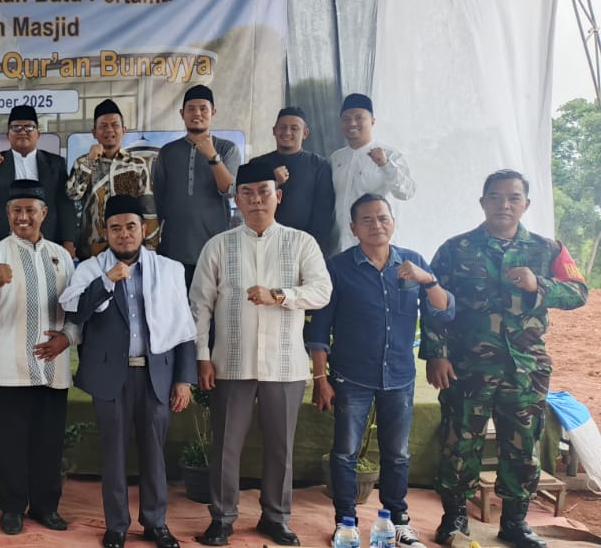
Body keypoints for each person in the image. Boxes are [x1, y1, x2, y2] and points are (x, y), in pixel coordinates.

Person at [422, 170, 588, 548]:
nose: (505, 205)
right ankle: (454, 517)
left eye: (514, 198)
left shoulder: (548, 249)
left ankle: (515, 522)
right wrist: (436, 354)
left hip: (525, 369)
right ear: (482, 203)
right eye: (496, 197)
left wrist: (538, 284)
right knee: (460, 443)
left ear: (526, 204)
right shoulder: (455, 249)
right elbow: (433, 305)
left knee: (522, 447)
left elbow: (578, 292)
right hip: (467, 368)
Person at [189, 162, 332, 547]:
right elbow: (199, 305)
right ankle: (222, 518)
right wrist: (202, 354)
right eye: (247, 194)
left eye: (264, 192)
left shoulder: (301, 243)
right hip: (230, 362)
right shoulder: (219, 245)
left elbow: (322, 291)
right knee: (225, 446)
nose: (256, 200)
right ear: (237, 200)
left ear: (278, 196)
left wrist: (280, 296)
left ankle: (275, 517)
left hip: (284, 364)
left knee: (280, 448)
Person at [306, 194, 455, 544]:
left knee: (397, 454)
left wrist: (427, 280)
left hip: (399, 377)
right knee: (345, 452)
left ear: (393, 222)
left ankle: (398, 520)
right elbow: (319, 330)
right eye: (367, 220)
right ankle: (345, 522)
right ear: (354, 228)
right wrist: (320, 379)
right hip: (351, 377)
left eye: (383, 218)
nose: (377, 225)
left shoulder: (413, 263)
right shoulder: (338, 268)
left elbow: (445, 310)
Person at [61, 194, 197, 548]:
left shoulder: (169, 270)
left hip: (156, 377)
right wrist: (107, 281)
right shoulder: (91, 269)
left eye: (131, 226)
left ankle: (155, 523)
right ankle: (117, 525)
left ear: (144, 229)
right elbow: (75, 312)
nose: (124, 234)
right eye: (115, 228)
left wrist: (184, 379)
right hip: (112, 378)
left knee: (154, 455)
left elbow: (184, 328)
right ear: (105, 231)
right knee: (113, 455)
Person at [0, 180, 77, 536]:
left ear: (44, 213)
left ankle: (46, 507)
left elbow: (78, 308)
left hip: (53, 369)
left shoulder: (61, 256)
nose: (23, 217)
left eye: (30, 210)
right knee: (10, 445)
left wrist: (68, 338)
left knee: (49, 443)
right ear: (7, 214)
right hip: (8, 369)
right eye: (16, 211)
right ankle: (12, 509)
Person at [152, 85, 242, 287]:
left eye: (203, 108)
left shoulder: (227, 149)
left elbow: (229, 190)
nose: (197, 114)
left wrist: (212, 156)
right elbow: (159, 199)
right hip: (173, 251)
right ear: (182, 114)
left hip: (214, 250)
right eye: (191, 108)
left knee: (211, 306)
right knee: (176, 305)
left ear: (213, 112)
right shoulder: (168, 152)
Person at [0, 106, 77, 254]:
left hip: (47, 241)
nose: (23, 132)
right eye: (16, 128)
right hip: (5, 242)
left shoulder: (55, 163)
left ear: (38, 134)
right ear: (8, 134)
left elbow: (64, 204)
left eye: (29, 127)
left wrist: (68, 241)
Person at [66, 99, 160, 259]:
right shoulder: (83, 163)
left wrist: (151, 249)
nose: (109, 130)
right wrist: (89, 161)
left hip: (129, 248)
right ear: (94, 132)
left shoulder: (136, 165)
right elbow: (73, 194)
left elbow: (149, 209)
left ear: (123, 130)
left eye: (114, 125)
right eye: (103, 126)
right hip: (92, 249)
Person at [329, 93, 416, 251]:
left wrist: (385, 164)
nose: (352, 123)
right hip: (341, 246)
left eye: (359, 118)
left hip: (378, 246)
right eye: (346, 119)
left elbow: (406, 192)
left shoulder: (390, 155)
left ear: (372, 121)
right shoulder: (336, 158)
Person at [248, 107, 336, 256]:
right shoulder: (256, 164)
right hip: (263, 245)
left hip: (302, 248)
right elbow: (247, 201)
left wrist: (313, 251)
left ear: (305, 133)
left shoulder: (319, 166)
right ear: (274, 130)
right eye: (282, 127)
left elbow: (323, 214)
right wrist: (271, 179)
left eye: (294, 128)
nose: (287, 132)